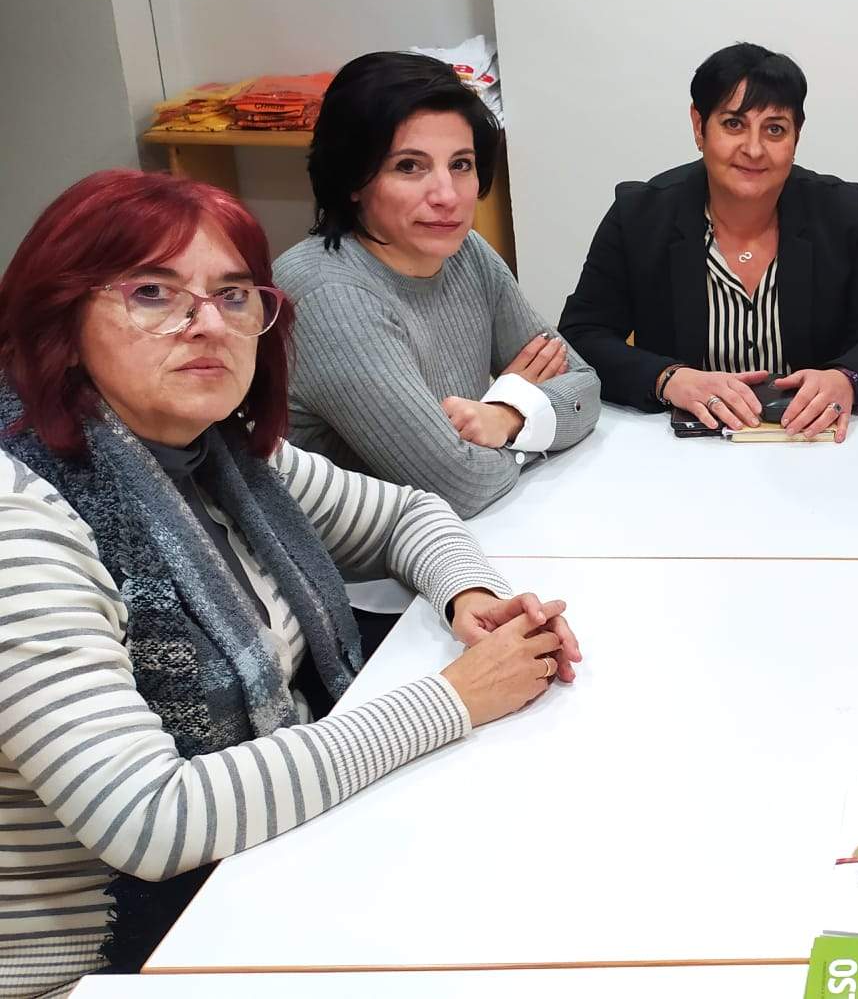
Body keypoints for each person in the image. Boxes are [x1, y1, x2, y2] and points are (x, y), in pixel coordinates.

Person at [0, 170, 584, 995]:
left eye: (234, 295)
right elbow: (149, 816)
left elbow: (409, 514)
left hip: (255, 874)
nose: (206, 323)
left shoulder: (222, 453)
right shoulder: (23, 519)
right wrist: (453, 698)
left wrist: (471, 600)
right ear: (60, 314)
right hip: (102, 960)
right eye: (152, 292)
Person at [279, 51, 601, 517]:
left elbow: (586, 387)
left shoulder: (466, 252)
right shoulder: (330, 295)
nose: (447, 196)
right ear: (352, 178)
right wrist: (529, 414)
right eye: (409, 166)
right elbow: (457, 486)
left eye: (462, 164)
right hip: (361, 575)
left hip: (477, 535)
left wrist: (507, 415)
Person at [560, 43, 858, 440]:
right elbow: (582, 336)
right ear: (699, 126)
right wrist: (668, 379)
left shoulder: (844, 211)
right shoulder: (640, 216)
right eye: (733, 124)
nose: (753, 149)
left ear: (797, 135)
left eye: (775, 129)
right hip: (685, 446)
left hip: (807, 440)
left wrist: (846, 379)